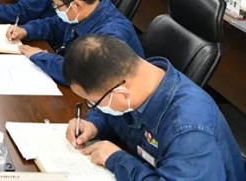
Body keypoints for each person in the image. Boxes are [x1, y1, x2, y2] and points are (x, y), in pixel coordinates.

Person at [63, 35, 244, 181]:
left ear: (121, 94)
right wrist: (95, 124)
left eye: (93, 102)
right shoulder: (139, 79)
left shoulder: (189, 130)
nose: (93, 107)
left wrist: (117, 159)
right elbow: (115, 114)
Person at [7, 0, 143, 85]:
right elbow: (54, 25)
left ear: (77, 5)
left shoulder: (111, 35)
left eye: (56, 5)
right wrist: (26, 30)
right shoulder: (82, 12)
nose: (55, 9)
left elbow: (81, 74)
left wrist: (39, 56)